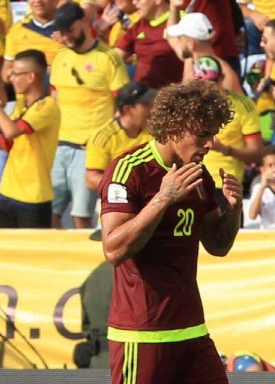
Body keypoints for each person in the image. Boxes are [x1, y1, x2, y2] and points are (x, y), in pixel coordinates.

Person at [99, 79, 241, 384]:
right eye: (203, 135)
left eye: (213, 135)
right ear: (174, 126)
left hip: (192, 331)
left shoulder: (199, 175)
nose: (209, 144)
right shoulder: (129, 170)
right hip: (142, 333)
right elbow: (113, 249)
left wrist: (234, 209)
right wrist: (163, 199)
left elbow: (218, 244)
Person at [50, 1, 129, 228]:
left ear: (85, 22)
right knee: (50, 212)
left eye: (70, 31)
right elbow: (54, 100)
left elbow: (122, 107)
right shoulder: (60, 57)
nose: (65, 38)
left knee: (81, 215)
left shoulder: (108, 58)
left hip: (89, 148)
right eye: (61, 33)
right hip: (59, 145)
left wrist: (104, 145)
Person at [0, 49, 60, 228]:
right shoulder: (20, 104)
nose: (11, 79)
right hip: (7, 193)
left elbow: (12, 131)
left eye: (15, 74)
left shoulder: (47, 107)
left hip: (33, 198)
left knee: (33, 255)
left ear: (31, 76)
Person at [191, 56, 263, 211]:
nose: (206, 90)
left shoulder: (243, 105)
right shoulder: (188, 104)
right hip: (193, 183)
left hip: (226, 185)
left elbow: (256, 154)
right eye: (200, 85)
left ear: (222, 78)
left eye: (212, 83)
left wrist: (225, 149)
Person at [85, 80, 154, 192]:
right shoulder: (104, 138)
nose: (151, 109)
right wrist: (128, 187)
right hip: (119, 201)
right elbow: (91, 179)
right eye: (145, 105)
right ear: (127, 109)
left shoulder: (154, 133)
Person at [166, 12, 243, 93]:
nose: (177, 42)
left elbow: (237, 104)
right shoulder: (190, 60)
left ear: (191, 44)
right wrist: (174, 6)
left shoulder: (225, 75)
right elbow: (170, 36)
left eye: (179, 38)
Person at [114, 0, 183, 89]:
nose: (134, 2)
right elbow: (115, 57)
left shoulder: (181, 20)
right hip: (140, 94)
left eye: (139, 0)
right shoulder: (139, 25)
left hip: (170, 95)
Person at [0, 0, 62, 83]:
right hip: (24, 93)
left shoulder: (68, 31)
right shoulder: (17, 30)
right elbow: (5, 74)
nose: (37, 1)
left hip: (59, 90)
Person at [248, 144, 275, 228]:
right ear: (262, 170)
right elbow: (252, 216)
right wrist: (262, 187)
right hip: (267, 236)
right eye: (270, 165)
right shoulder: (258, 188)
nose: (274, 169)